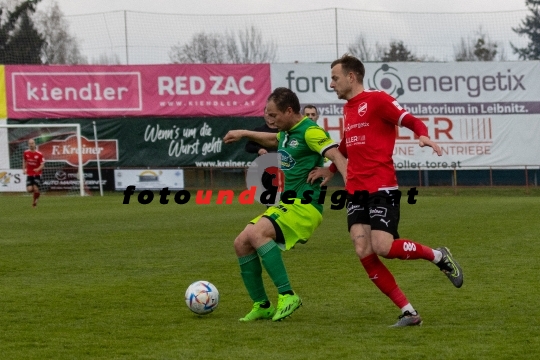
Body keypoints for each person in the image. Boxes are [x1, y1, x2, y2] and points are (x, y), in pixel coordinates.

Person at [308, 54, 463, 327]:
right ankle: (408, 312)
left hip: (381, 186)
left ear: (351, 77)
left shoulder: (377, 100)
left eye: (334, 78)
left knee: (383, 247)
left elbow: (409, 119)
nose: (331, 84)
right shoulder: (348, 109)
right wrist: (330, 170)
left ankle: (439, 256)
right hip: (355, 188)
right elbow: (348, 143)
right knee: (362, 248)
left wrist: (423, 134)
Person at [224, 87, 347, 322]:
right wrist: (243, 132)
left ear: (289, 111)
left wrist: (343, 178)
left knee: (257, 233)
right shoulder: (287, 132)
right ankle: (262, 304)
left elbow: (337, 154)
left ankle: (287, 294)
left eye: (274, 115)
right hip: (288, 204)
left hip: (305, 206)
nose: (270, 120)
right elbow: (272, 139)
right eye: (268, 115)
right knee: (241, 242)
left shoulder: (310, 131)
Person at [22, 139, 45, 208]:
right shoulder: (26, 153)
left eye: (32, 143)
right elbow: (24, 161)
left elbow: (42, 165)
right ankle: (37, 193)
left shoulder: (39, 154)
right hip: (29, 173)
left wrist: (37, 169)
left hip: (37, 174)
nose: (31, 145)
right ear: (28, 144)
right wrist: (24, 169)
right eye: (30, 143)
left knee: (35, 188)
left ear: (35, 144)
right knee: (29, 190)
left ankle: (34, 203)